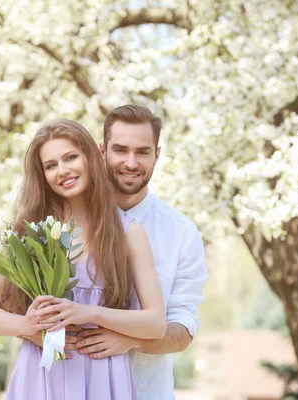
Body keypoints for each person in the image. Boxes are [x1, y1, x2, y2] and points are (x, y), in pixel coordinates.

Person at [0, 119, 166, 399]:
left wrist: (87, 313)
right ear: (42, 175)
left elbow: (156, 323)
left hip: (104, 375)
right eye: (51, 165)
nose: (63, 170)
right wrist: (25, 328)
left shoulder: (128, 232)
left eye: (70, 157)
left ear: (90, 157)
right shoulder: (27, 234)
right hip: (41, 374)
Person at [72, 104, 209, 400]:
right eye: (120, 150)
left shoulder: (181, 232)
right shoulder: (65, 222)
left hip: (146, 392)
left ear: (157, 155)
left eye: (143, 152)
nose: (131, 162)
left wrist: (129, 340)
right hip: (69, 387)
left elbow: (183, 330)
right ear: (102, 151)